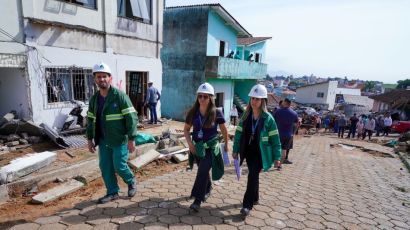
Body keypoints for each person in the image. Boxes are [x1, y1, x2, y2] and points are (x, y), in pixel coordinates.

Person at [86, 62, 138, 204]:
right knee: (105, 167)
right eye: (98, 77)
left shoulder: (120, 96)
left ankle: (131, 180)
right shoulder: (94, 99)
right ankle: (112, 192)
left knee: (119, 166)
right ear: (95, 79)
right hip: (103, 140)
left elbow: (132, 117)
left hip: (119, 139)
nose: (101, 79)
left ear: (110, 78)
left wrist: (131, 138)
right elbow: (90, 120)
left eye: (104, 76)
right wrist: (90, 139)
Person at [232, 84, 281, 217]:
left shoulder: (268, 119)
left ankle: (247, 205)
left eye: (257, 99)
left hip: (261, 153)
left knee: (252, 175)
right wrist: (235, 150)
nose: (254, 101)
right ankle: (255, 197)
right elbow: (238, 135)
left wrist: (277, 157)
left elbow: (275, 139)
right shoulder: (245, 116)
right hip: (249, 151)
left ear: (263, 101)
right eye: (252, 98)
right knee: (254, 175)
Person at [183, 82, 229, 212]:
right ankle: (207, 188)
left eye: (205, 96)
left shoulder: (216, 113)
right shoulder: (193, 112)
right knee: (203, 171)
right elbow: (186, 130)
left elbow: (224, 130)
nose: (202, 99)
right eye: (200, 96)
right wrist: (190, 144)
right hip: (197, 147)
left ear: (211, 98)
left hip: (211, 147)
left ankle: (198, 200)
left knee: (202, 170)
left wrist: (226, 145)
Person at [274, 98, 298, 166]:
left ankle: (276, 163)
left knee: (278, 149)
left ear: (285, 103)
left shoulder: (278, 111)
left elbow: (273, 122)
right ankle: (280, 165)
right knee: (284, 150)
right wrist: (293, 133)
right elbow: (297, 124)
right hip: (288, 135)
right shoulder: (294, 113)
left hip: (279, 133)